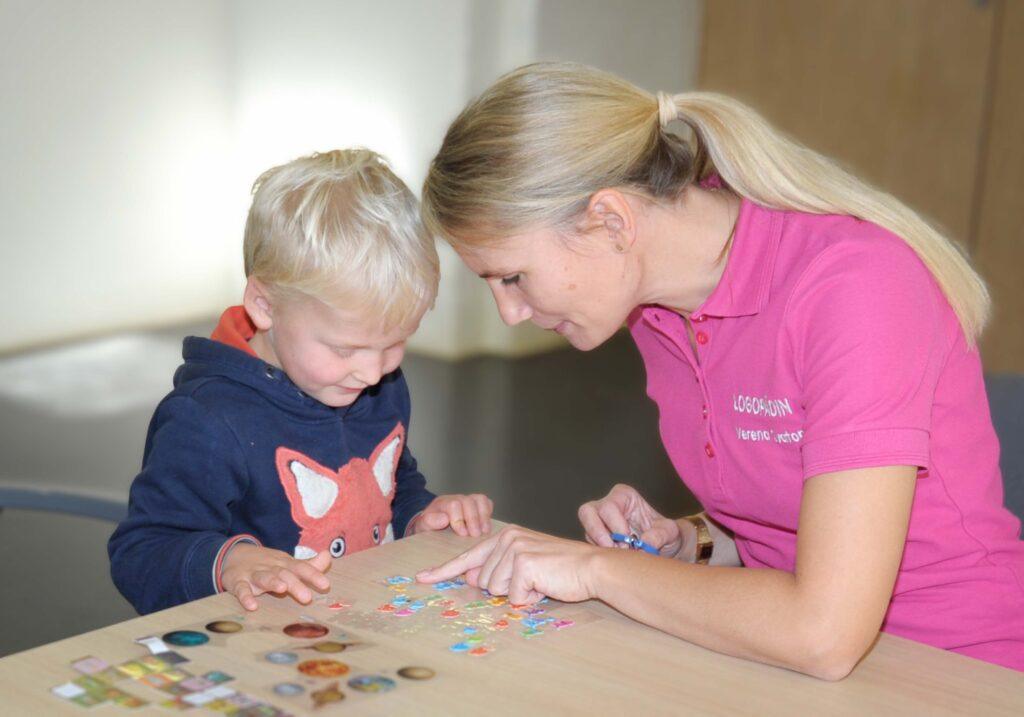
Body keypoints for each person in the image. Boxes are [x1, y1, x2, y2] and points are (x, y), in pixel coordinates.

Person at [414, 62, 1024, 678]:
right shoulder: (654, 310)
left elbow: (824, 633)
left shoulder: (857, 288)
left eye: (512, 277)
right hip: (779, 660)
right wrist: (693, 541)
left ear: (610, 221)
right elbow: (794, 518)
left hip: (958, 668)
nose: (510, 312)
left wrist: (598, 569)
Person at [109, 149, 493, 615]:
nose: (374, 373)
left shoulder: (374, 381)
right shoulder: (207, 420)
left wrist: (419, 514)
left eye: (396, 342)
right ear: (265, 306)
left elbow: (394, 482)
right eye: (346, 349)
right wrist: (229, 561)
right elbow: (143, 550)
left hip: (357, 630)